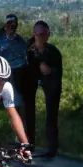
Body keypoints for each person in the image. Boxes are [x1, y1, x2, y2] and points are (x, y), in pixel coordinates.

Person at [22, 20, 63, 157]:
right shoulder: (28, 49)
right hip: (31, 80)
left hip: (51, 82)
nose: (40, 37)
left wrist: (48, 70)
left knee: (51, 114)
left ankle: (52, 148)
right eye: (38, 34)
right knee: (29, 111)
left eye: (43, 34)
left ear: (48, 35)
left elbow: (55, 73)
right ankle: (29, 143)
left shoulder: (53, 52)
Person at [0, 13, 29, 110]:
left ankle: (17, 106)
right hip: (2, 71)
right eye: (9, 24)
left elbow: (25, 56)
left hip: (18, 71)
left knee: (17, 92)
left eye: (13, 24)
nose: (11, 27)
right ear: (5, 25)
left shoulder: (20, 41)